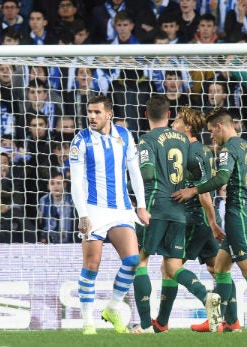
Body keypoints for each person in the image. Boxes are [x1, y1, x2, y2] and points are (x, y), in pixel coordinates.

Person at [172, 108, 247, 332]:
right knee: (220, 266)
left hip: (237, 215)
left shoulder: (228, 149)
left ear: (220, 126)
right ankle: (225, 321)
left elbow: (221, 177)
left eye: (212, 132)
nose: (211, 137)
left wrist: (193, 190)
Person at [131, 98, 220, 334]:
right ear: (169, 114)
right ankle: (206, 295)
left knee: (139, 261)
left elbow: (148, 173)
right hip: (179, 212)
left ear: (145, 114)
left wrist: (134, 171)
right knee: (172, 266)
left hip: (155, 207)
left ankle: (146, 325)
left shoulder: (146, 139)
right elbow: (195, 169)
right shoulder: (185, 142)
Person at [68, 95, 150, 335]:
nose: (91, 117)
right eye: (89, 112)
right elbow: (74, 183)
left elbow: (135, 172)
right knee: (91, 266)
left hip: (121, 209)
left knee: (133, 260)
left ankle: (113, 308)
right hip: (93, 209)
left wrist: (141, 206)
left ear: (109, 114)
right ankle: (87, 322)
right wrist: (83, 214)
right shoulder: (80, 141)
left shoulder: (124, 135)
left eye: (96, 112)